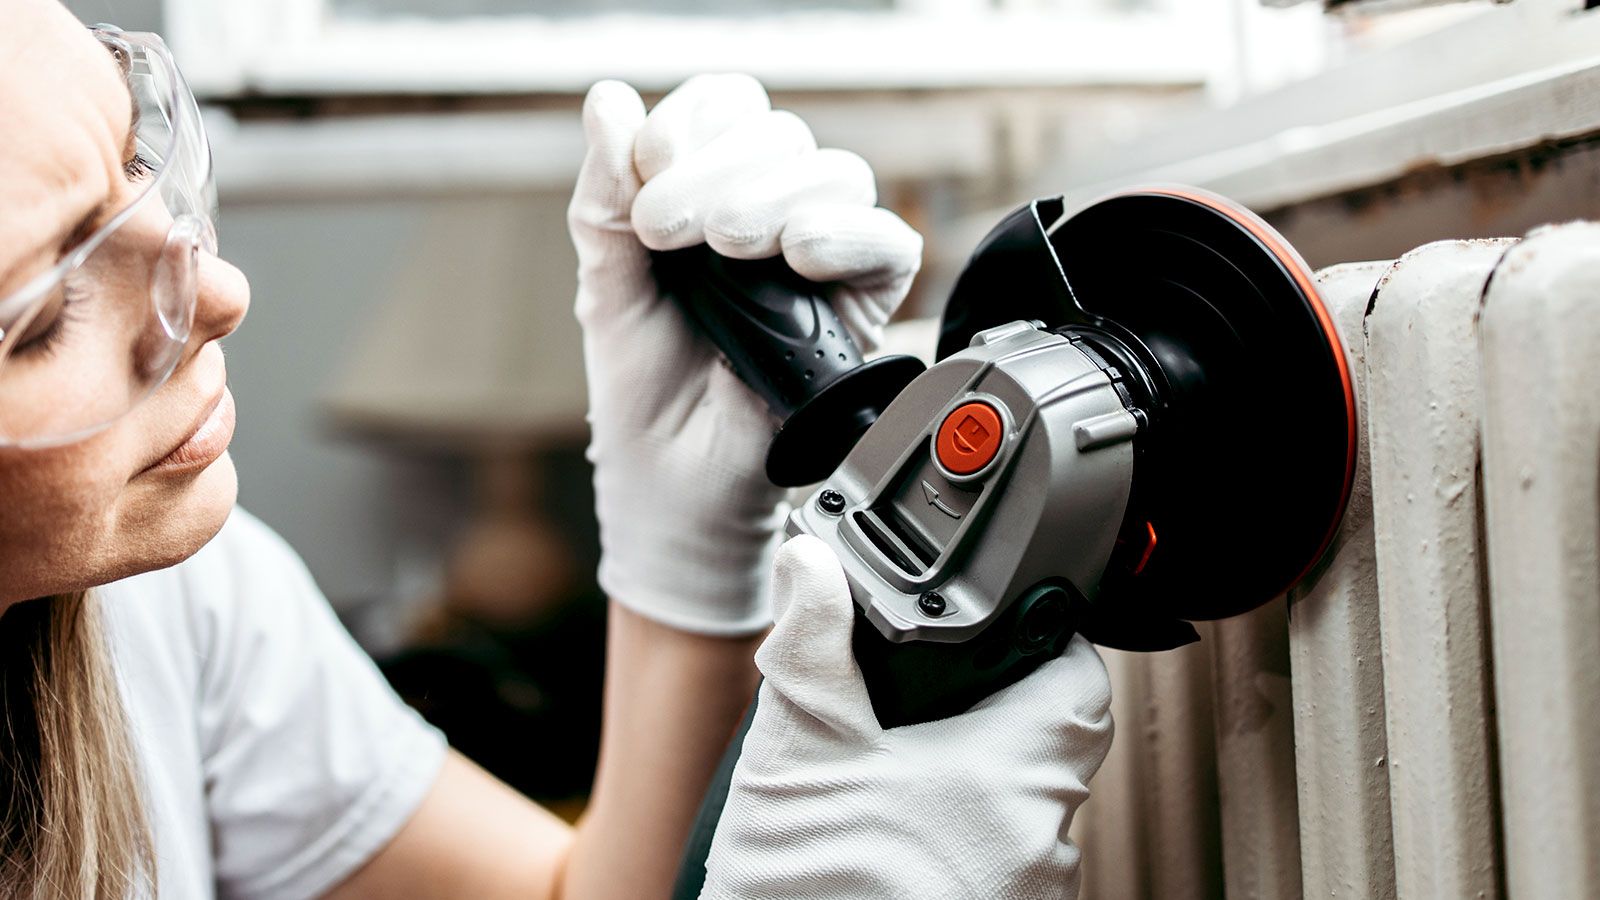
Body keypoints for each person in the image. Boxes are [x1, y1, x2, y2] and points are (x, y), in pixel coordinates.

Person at [0, 1, 1113, 898]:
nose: (221, 294)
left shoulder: (175, 600)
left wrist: (686, 573)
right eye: (45, 316)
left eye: (136, 156)